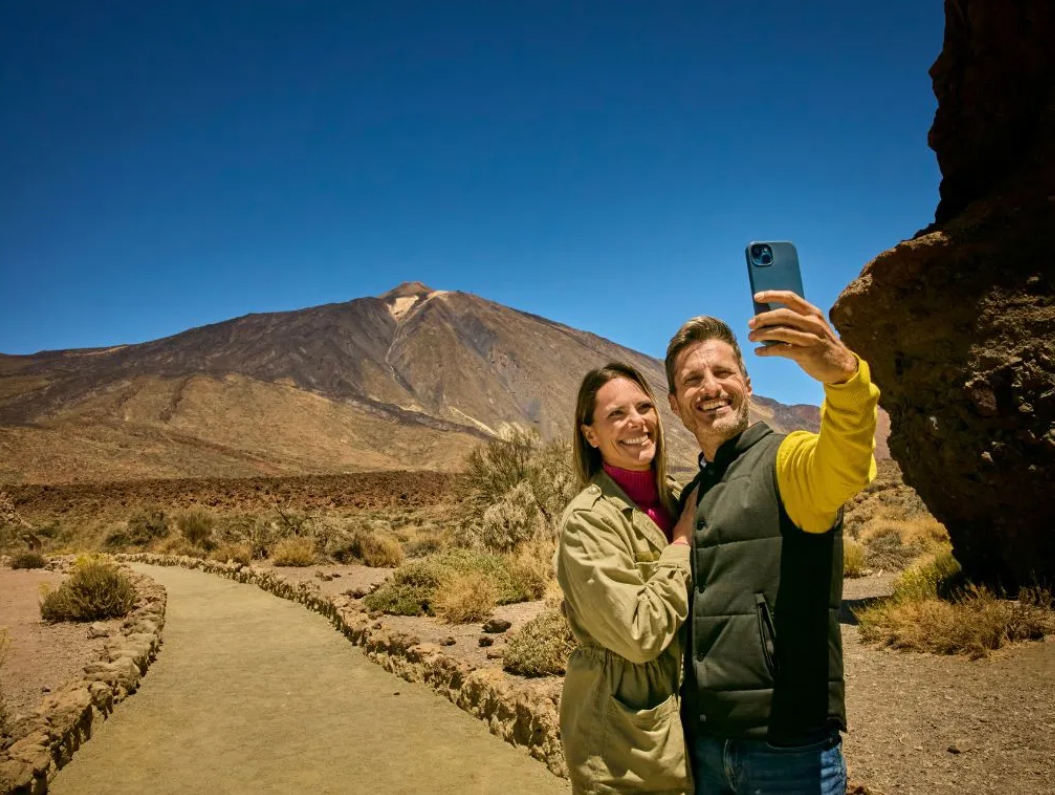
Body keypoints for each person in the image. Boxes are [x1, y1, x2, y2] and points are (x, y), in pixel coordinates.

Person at [665, 291, 880, 795]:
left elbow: (844, 464)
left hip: (788, 755)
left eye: (722, 373)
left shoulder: (789, 460)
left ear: (747, 382)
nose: (710, 387)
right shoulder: (694, 493)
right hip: (705, 745)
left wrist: (844, 377)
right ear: (675, 404)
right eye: (692, 380)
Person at [556, 362, 697, 795]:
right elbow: (638, 634)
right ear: (590, 434)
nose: (636, 421)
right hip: (622, 749)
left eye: (643, 407)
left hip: (687, 730)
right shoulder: (587, 521)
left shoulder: (677, 498)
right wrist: (681, 546)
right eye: (616, 414)